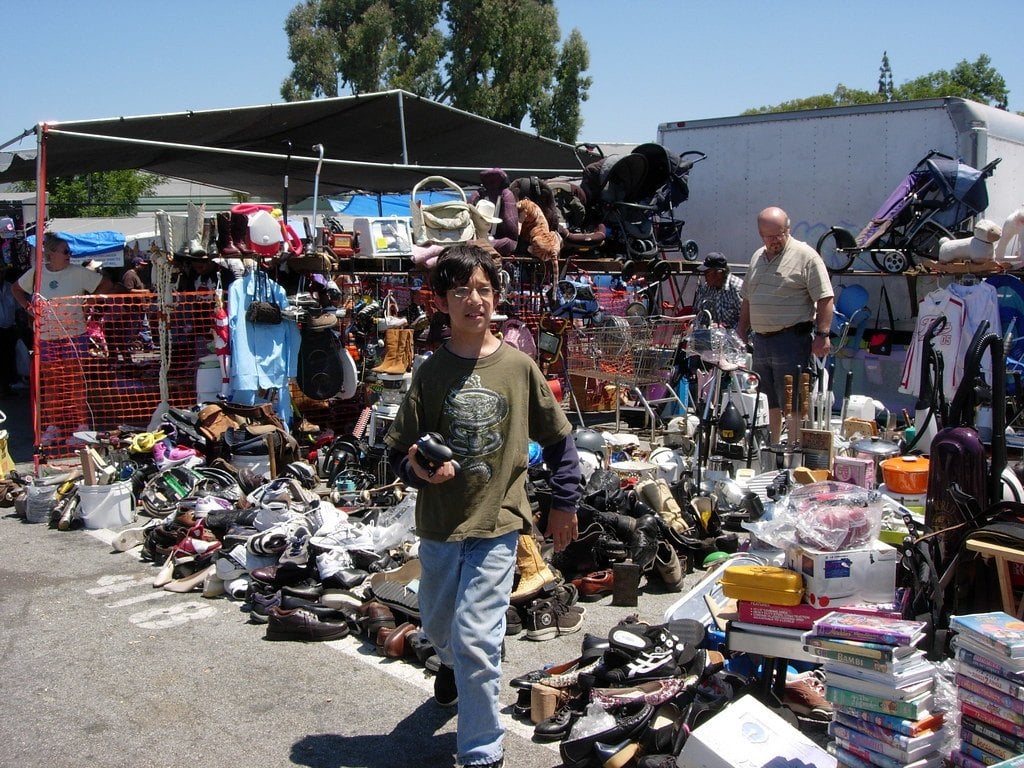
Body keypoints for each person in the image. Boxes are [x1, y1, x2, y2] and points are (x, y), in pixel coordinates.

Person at [384, 243, 581, 768]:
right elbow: (397, 454)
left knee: (476, 637)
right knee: (441, 626)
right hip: (440, 526)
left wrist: (565, 504)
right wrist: (419, 469)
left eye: (484, 290)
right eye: (461, 291)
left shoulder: (519, 366)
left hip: (498, 523)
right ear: (442, 301)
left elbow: (560, 441)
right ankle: (447, 664)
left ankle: (481, 750)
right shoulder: (429, 373)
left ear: (496, 298)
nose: (474, 300)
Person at [737, 207, 834, 444]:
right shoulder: (757, 256)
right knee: (768, 396)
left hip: (791, 339)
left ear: (787, 229)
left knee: (793, 397)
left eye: (777, 235)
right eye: (767, 236)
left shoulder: (806, 256)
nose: (772, 241)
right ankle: (773, 444)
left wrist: (823, 334)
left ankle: (793, 447)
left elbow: (825, 297)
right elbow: (748, 298)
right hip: (761, 340)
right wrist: (741, 330)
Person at [11, 233, 115, 444]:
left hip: (74, 334)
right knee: (51, 383)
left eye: (69, 251)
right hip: (47, 336)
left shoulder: (79, 272)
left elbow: (106, 284)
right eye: (65, 251)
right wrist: (28, 308)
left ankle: (81, 425)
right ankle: (53, 426)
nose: (69, 255)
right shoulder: (37, 274)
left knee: (75, 381)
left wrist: (88, 303)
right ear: (51, 253)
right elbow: (16, 289)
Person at [692, 252, 743, 330]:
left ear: (719, 273)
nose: (705, 276)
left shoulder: (737, 288)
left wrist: (726, 329)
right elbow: (700, 312)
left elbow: (747, 319)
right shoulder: (707, 288)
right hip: (713, 336)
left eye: (707, 273)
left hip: (734, 337)